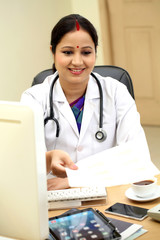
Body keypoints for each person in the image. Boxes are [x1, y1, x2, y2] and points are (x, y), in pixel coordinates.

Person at [21, 14, 150, 190]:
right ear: (53, 51)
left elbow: (138, 156)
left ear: (95, 52)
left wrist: (75, 179)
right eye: (67, 52)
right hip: (54, 194)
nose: (77, 61)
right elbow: (24, 163)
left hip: (106, 189)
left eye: (86, 52)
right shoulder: (33, 98)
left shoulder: (116, 92)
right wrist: (48, 158)